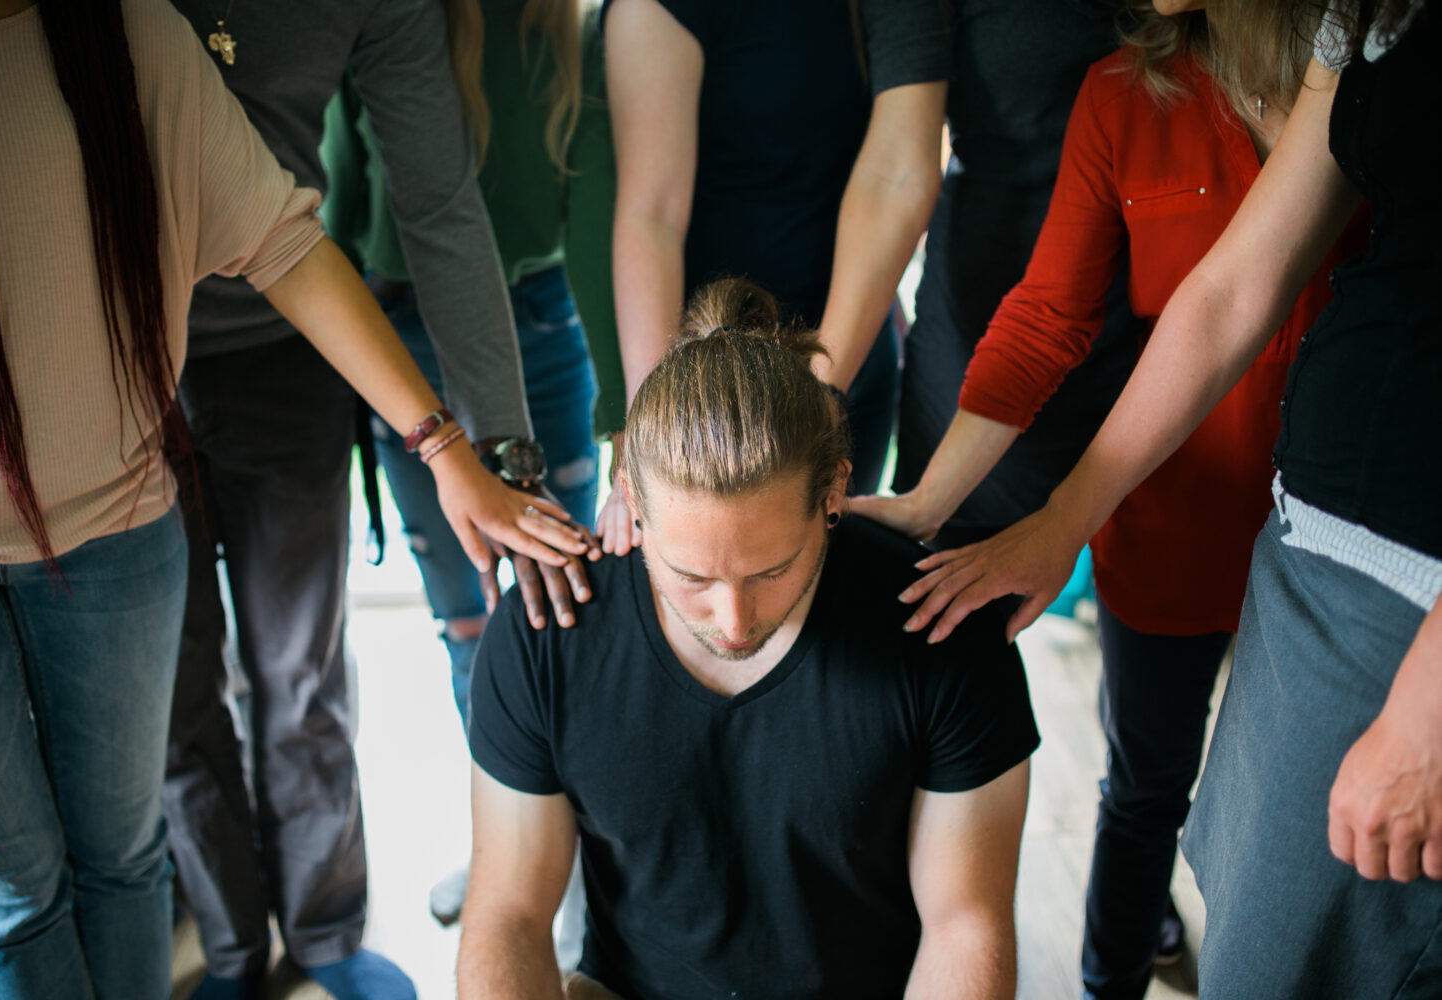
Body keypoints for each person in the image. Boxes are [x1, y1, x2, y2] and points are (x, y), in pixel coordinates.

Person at [0, 1, 585, 998]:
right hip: (105, 402)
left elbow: (418, 210)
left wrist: (479, 449)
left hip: (260, 373)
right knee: (139, 751)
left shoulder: (184, 31)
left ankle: (325, 940)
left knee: (297, 673)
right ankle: (235, 958)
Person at [892, 1, 1442, 995]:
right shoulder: (1134, 93)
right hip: (1191, 524)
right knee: (1157, 794)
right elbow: (1071, 312)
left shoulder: (1364, 63)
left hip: (1344, 554)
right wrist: (947, 499)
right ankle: (1115, 975)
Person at [456, 279, 1040, 1000]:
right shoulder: (549, 632)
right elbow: (508, 916)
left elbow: (966, 926)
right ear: (631, 504)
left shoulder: (943, 628)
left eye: (771, 570)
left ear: (834, 493)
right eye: (691, 576)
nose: (734, 622)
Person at [320, 0, 618, 934]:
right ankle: (510, 842)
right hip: (399, 339)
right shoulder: (384, 24)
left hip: (540, 323)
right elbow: (336, 196)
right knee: (464, 620)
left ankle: (581, 870)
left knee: (558, 600)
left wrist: (624, 408)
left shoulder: (573, 36)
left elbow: (602, 217)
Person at [596, 0, 951, 556]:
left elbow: (900, 171)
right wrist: (650, 438)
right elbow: (652, 216)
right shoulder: (653, 11)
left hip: (848, 349)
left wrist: (826, 386)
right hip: (707, 378)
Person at [875, 0, 1138, 554]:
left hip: (1171, 307)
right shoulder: (1109, 93)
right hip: (999, 298)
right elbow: (1051, 313)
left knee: (1163, 592)